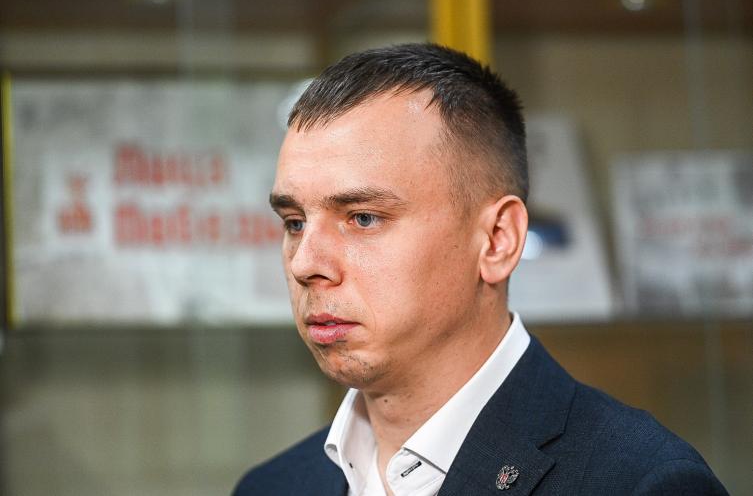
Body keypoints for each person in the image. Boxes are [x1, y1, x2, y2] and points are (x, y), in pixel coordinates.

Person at [233, 43, 727, 496]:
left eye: (363, 218)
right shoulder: (270, 487)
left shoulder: (643, 483)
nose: (305, 263)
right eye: (294, 222)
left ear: (497, 240)